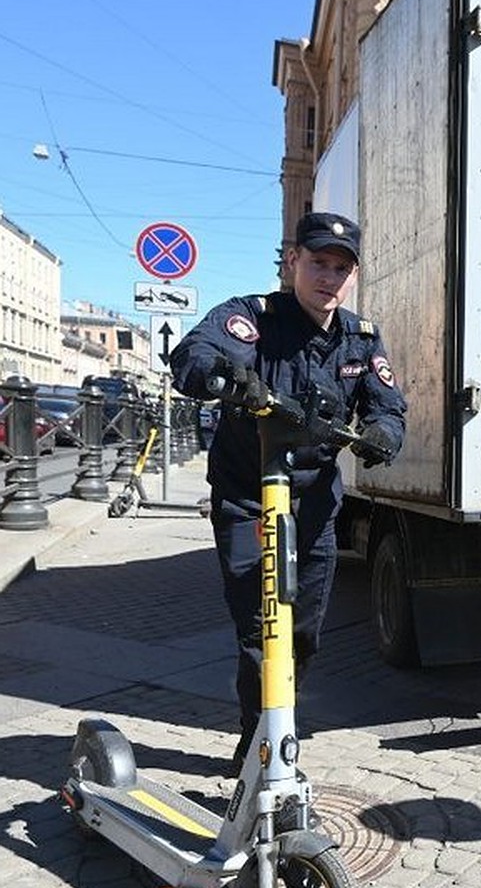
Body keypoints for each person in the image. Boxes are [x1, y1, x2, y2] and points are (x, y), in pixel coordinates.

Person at [170, 212, 407, 772]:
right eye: (318, 262)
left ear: (352, 276)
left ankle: (273, 731)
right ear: (293, 262)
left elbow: (389, 408)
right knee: (260, 627)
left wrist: (382, 436)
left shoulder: (359, 336)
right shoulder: (253, 317)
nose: (329, 277)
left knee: (300, 632)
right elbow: (195, 356)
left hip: (315, 504)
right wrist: (226, 378)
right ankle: (262, 748)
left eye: (341, 268)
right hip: (249, 496)